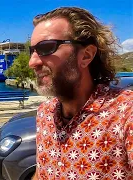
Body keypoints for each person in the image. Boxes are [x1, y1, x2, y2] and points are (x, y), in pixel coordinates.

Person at [29, 7, 132, 179]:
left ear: (86, 55)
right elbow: (42, 173)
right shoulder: (45, 113)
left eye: (46, 47)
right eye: (32, 51)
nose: (32, 62)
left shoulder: (125, 113)